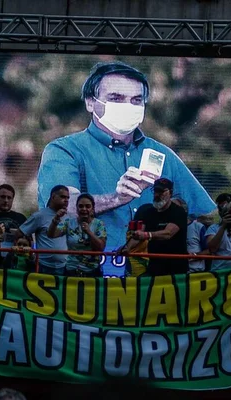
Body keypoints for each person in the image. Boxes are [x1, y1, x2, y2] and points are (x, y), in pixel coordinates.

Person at [37, 61, 216, 273]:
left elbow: (205, 216)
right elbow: (61, 209)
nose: (128, 107)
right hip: (85, 278)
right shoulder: (64, 150)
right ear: (90, 103)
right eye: (116, 98)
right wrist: (116, 198)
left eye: (136, 100)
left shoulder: (163, 155)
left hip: (154, 281)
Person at [122, 178, 188, 276]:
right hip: (154, 265)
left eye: (161, 192)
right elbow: (138, 235)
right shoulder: (149, 212)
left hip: (176, 268)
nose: (157, 195)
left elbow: (168, 233)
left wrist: (147, 235)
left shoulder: (178, 212)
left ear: (170, 193)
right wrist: (127, 247)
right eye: (156, 191)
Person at [47, 193, 107, 277]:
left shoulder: (99, 224)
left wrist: (89, 232)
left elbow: (101, 247)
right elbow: (51, 235)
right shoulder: (69, 223)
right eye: (81, 206)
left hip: (92, 271)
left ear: (93, 209)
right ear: (76, 209)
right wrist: (56, 219)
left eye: (87, 206)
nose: (84, 209)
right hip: (71, 270)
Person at [18, 185, 70, 275]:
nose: (66, 200)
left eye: (68, 198)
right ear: (53, 197)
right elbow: (20, 232)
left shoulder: (70, 217)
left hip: (64, 267)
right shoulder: (39, 216)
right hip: (42, 266)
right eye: (62, 197)